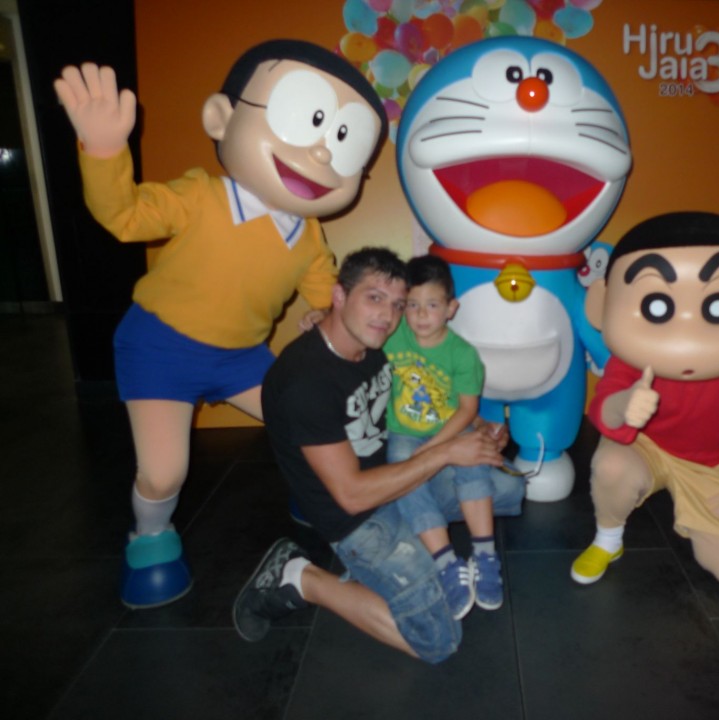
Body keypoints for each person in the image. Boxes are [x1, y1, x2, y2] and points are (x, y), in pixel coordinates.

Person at [53, 39, 388, 608]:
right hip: (160, 348)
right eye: (305, 121)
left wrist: (339, 316)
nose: (321, 153)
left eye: (343, 141)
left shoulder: (309, 237)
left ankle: (315, 494)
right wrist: (105, 151)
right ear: (220, 117)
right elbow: (125, 216)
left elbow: (329, 296)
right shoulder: (200, 196)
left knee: (312, 425)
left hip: (241, 357)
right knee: (163, 474)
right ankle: (150, 535)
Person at [234, 247, 524, 664]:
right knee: (438, 641)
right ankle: (302, 576)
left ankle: (410, 540)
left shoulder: (379, 342)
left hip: (397, 472)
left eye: (397, 304)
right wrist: (446, 452)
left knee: (507, 486)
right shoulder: (305, 382)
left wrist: (478, 427)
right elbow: (352, 495)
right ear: (339, 296)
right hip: (356, 516)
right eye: (374, 298)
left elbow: (428, 391)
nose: (387, 316)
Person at [571, 212, 719, 586]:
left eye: (718, 305)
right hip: (645, 446)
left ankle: (697, 512)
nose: (688, 333)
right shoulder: (631, 359)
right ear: (601, 305)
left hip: (712, 463)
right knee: (611, 466)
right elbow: (604, 410)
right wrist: (624, 405)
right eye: (657, 305)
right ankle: (608, 539)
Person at [385, 255, 502, 620]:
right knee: (404, 474)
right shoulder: (392, 335)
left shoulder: (463, 354)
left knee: (474, 463)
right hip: (403, 431)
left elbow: (467, 410)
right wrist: (318, 314)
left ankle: (485, 554)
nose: (421, 315)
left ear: (451, 308)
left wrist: (435, 449)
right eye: (412, 305)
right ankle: (446, 562)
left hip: (451, 426)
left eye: (432, 305)